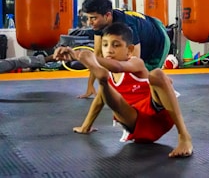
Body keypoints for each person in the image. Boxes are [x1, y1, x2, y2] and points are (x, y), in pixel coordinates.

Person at [53, 22, 193, 158]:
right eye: (105, 45)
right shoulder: (108, 74)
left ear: (130, 50)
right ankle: (102, 80)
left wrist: (83, 56)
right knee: (106, 89)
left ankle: (184, 137)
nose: (109, 50)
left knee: (157, 74)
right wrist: (85, 127)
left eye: (116, 45)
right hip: (134, 123)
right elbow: (99, 101)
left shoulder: (135, 62)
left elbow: (118, 67)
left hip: (160, 115)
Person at [59, 0, 170, 98]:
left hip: (159, 38)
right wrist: (90, 86)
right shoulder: (100, 24)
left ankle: (166, 89)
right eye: (87, 18)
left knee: (145, 78)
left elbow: (134, 62)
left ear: (107, 16)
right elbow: (97, 54)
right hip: (145, 26)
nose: (89, 23)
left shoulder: (127, 26)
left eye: (93, 18)